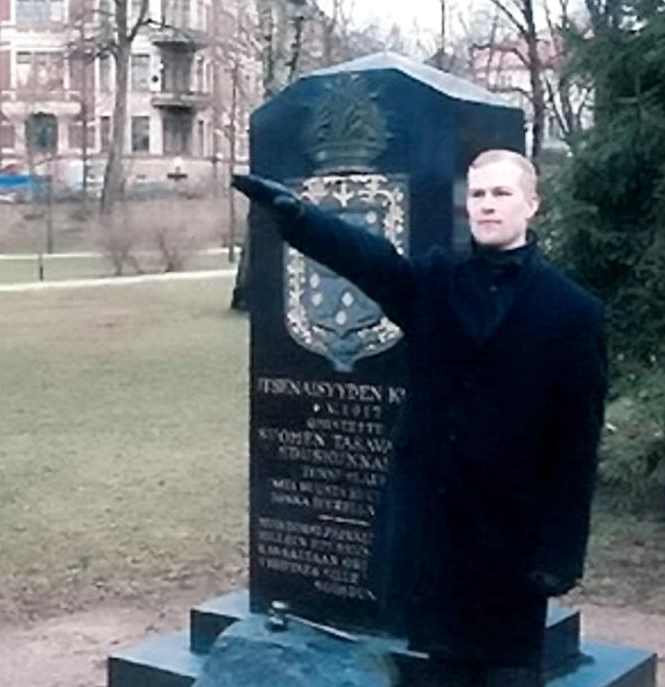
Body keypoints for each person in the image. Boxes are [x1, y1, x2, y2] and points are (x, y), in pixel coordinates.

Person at [232, 149, 607, 687]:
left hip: (512, 541)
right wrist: (300, 218)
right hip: (439, 531)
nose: (487, 205)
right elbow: (371, 260)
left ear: (532, 203)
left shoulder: (574, 312)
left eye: (501, 193)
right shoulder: (435, 282)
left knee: (509, 676)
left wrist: (561, 552)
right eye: (478, 194)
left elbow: (577, 445)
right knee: (442, 672)